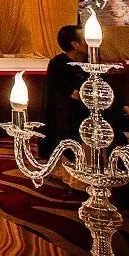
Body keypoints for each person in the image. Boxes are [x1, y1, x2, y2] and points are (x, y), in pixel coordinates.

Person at [42, 25, 89, 157]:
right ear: (75, 44)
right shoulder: (57, 64)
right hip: (70, 115)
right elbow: (70, 94)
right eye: (85, 39)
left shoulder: (91, 61)